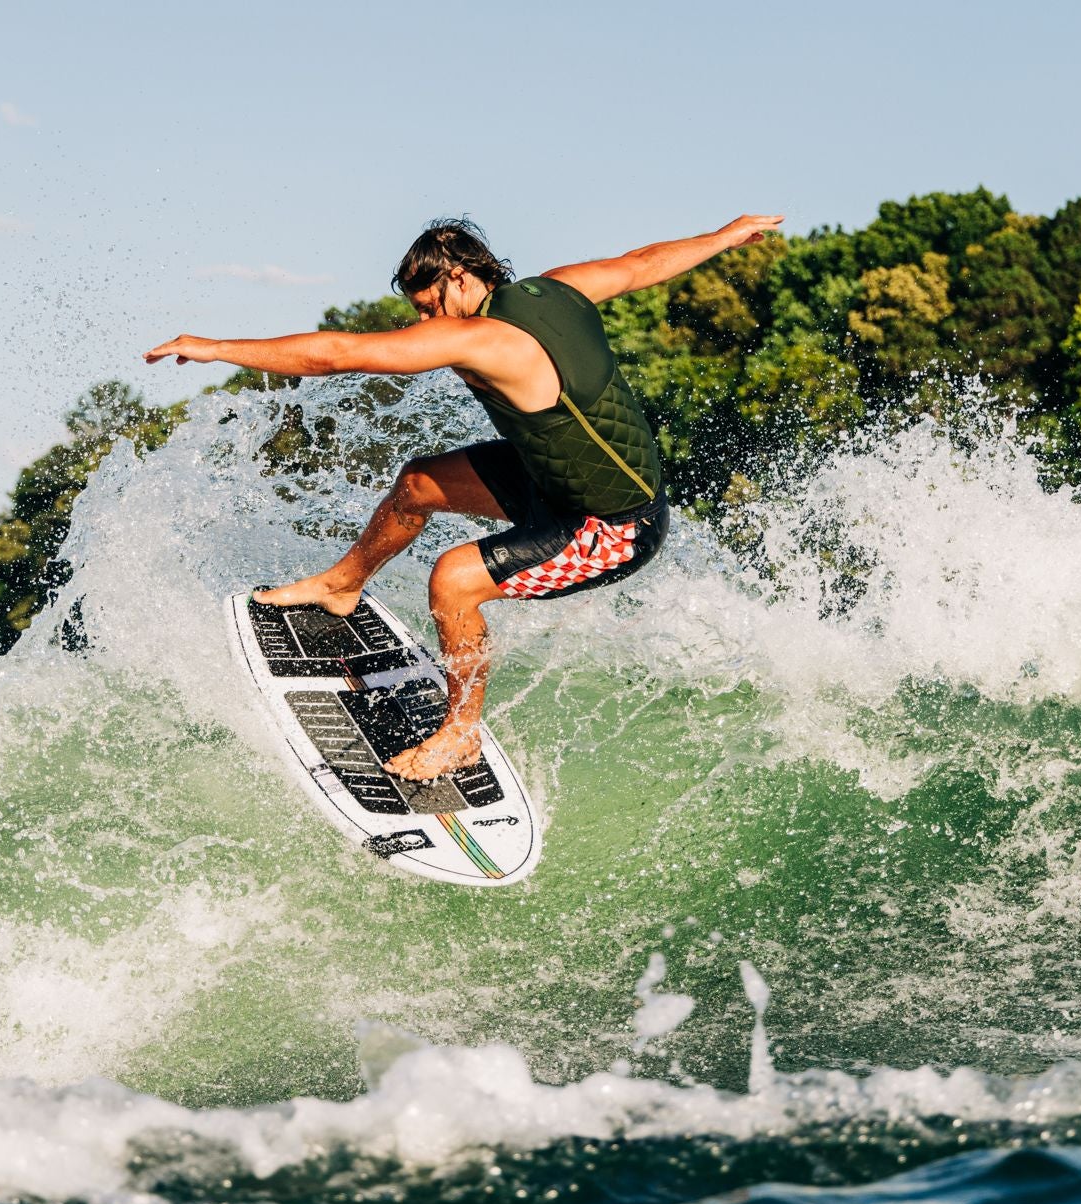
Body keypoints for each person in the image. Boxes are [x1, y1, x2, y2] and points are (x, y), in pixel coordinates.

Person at [144, 213, 783, 779]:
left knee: (454, 579)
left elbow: (338, 354)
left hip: (614, 522)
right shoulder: (554, 288)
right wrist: (723, 237)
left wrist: (213, 348)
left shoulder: (482, 337)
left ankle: (461, 736)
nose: (427, 324)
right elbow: (640, 266)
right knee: (420, 481)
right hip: (551, 477)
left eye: (430, 308)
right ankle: (343, 584)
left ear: (460, 279)